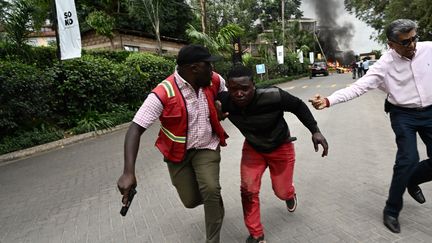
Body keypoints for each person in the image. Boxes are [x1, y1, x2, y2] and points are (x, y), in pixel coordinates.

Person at [308, 19, 432, 234]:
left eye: (414, 38)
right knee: (408, 159)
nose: (412, 45)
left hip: (430, 111)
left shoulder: (428, 49)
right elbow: (358, 87)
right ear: (391, 44)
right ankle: (391, 210)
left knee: (414, 168)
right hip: (403, 114)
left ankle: (412, 179)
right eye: (405, 42)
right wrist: (328, 100)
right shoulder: (384, 65)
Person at [117, 44, 229, 243]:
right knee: (191, 200)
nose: (213, 70)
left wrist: (221, 105)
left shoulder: (212, 80)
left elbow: (223, 90)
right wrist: (128, 172)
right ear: (194, 68)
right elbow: (135, 128)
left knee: (210, 189)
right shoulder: (163, 92)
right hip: (178, 155)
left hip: (207, 146)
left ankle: (213, 238)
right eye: (208, 65)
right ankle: (213, 200)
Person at [217, 65, 329, 243]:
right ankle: (256, 234)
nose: (239, 94)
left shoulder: (273, 95)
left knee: (281, 191)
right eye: (234, 89)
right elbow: (207, 83)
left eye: (244, 88)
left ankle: (289, 194)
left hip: (281, 146)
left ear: (254, 85)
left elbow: (298, 106)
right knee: (248, 190)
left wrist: (315, 130)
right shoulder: (225, 101)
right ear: (228, 88)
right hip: (253, 148)